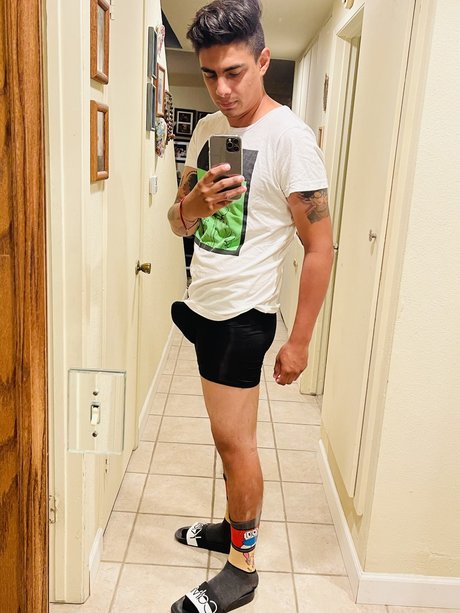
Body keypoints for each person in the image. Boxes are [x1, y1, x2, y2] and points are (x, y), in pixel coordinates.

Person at [167, 1, 333, 611]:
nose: (222, 89)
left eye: (235, 72)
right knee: (224, 438)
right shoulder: (209, 131)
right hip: (205, 308)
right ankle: (230, 527)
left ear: (262, 60)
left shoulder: (290, 139)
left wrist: (300, 340)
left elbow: (320, 245)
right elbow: (177, 222)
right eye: (211, 74)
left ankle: (242, 568)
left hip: (243, 317)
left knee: (237, 443)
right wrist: (194, 208)